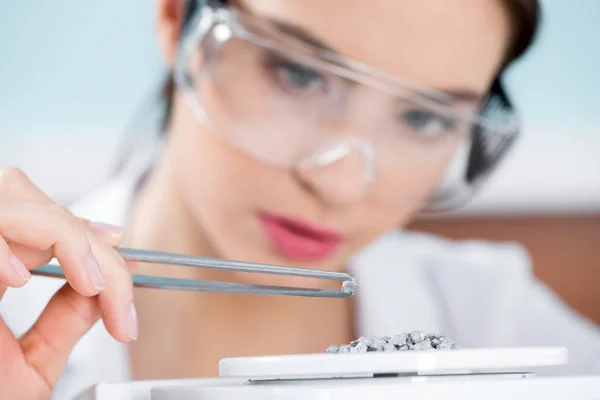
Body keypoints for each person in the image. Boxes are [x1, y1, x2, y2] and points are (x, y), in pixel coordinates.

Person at [1, 0, 599, 398]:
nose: (340, 185)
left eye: (422, 116)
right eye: (299, 75)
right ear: (176, 18)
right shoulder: (11, 316)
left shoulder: (499, 326)